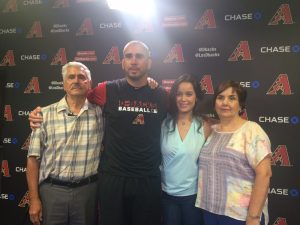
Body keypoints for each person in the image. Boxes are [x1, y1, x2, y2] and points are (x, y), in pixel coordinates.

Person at [88, 40, 168, 225]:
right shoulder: (106, 90)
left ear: (149, 62)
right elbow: (75, 98)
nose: (133, 61)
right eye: (128, 56)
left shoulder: (162, 95)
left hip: (148, 179)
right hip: (113, 178)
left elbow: (187, 113)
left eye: (139, 56)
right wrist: (40, 113)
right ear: (123, 62)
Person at [26, 62, 103, 225]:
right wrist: (33, 199)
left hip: (87, 192)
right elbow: (33, 160)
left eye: (82, 77)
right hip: (52, 192)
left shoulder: (102, 114)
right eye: (71, 77)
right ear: (63, 84)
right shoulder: (43, 115)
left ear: (89, 83)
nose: (76, 81)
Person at [195, 80, 272, 225]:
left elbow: (264, 174)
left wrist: (253, 217)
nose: (225, 102)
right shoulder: (212, 131)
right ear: (215, 103)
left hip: (240, 216)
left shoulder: (252, 130)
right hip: (209, 211)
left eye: (232, 98)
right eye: (220, 97)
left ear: (241, 105)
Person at [160, 74, 211, 225]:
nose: (183, 99)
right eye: (179, 94)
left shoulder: (205, 126)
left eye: (189, 94)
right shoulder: (163, 123)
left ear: (196, 97)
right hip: (167, 197)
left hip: (194, 197)